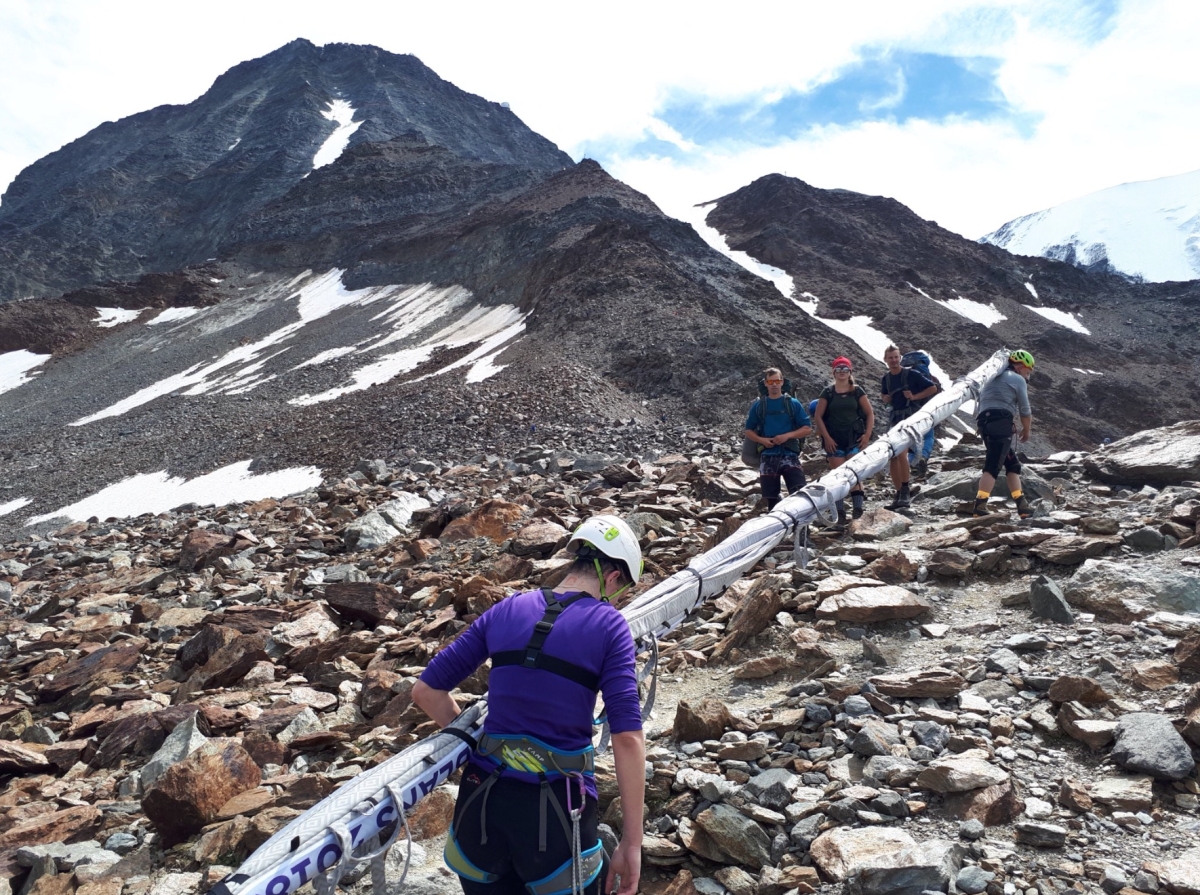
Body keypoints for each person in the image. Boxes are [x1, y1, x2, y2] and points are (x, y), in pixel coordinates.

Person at [412, 516, 645, 895]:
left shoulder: (507, 608)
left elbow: (425, 692)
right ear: (614, 576)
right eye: (619, 591)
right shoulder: (610, 626)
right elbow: (628, 738)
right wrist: (632, 844)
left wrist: (479, 746)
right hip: (556, 818)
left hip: (481, 807)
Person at [973, 350, 1035, 518]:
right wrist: (1027, 429)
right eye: (1028, 372)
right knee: (993, 465)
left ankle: (1021, 504)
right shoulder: (1017, 379)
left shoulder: (991, 378)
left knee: (1012, 464)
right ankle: (980, 505)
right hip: (1001, 423)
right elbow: (1025, 409)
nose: (1028, 377)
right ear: (1021, 367)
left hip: (984, 423)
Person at [813, 356, 874, 523]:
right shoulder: (828, 392)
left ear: (850, 371)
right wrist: (826, 437)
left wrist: (867, 434)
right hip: (834, 438)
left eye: (845, 369)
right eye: (838, 369)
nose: (842, 372)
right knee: (838, 476)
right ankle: (839, 513)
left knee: (854, 474)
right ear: (833, 372)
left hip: (854, 436)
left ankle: (858, 510)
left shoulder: (857, 391)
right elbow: (818, 417)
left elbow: (869, 413)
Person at [744, 367, 813, 511]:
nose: (774, 384)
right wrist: (762, 440)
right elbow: (748, 430)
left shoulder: (792, 403)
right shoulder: (759, 406)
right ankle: (780, 529)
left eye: (777, 381)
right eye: (771, 381)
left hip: (790, 454)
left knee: (799, 492)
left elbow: (807, 428)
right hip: (768, 456)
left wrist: (787, 436)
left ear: (782, 382)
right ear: (765, 383)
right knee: (771, 499)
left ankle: (801, 529)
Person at [879, 345, 938, 509]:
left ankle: (904, 490)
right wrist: (885, 399)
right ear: (885, 359)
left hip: (910, 417)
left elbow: (933, 388)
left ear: (900, 358)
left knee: (901, 452)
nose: (894, 360)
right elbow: (885, 396)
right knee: (893, 456)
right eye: (890, 357)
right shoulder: (886, 378)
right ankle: (899, 494)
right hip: (896, 418)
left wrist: (914, 396)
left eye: (896, 357)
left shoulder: (912, 374)